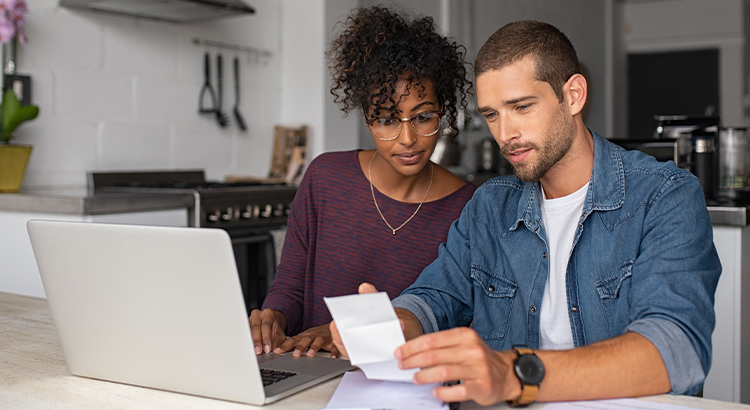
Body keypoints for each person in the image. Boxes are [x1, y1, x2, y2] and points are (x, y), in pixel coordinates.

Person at [331, 20, 721, 406]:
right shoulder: (489, 207)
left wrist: (516, 374)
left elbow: (677, 349)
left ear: (573, 96)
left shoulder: (664, 195)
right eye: (492, 114)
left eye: (521, 107)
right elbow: (435, 296)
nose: (504, 133)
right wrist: (395, 324)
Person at [249, 6, 476, 360]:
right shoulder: (324, 178)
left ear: (443, 113)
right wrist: (273, 318)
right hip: (310, 372)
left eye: (423, 117)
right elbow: (290, 290)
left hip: (404, 386)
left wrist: (345, 334)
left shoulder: (468, 207)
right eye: (386, 119)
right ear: (367, 121)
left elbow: (452, 320)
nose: (407, 138)